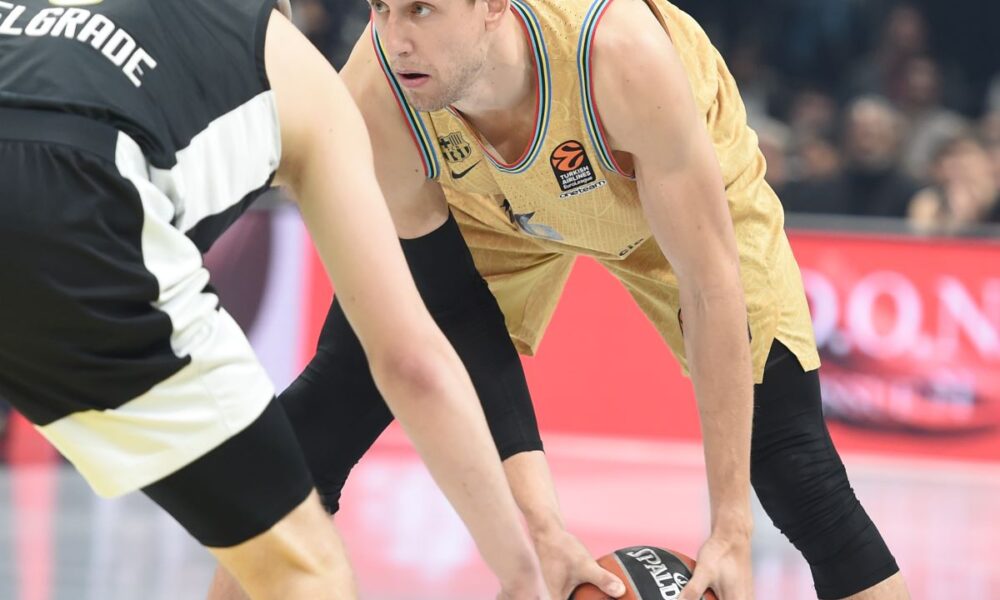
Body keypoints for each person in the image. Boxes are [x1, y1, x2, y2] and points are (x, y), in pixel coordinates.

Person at [211, 0, 912, 599]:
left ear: (492, 6)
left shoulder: (620, 52)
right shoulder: (374, 94)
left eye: (422, 7)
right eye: (381, 8)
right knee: (317, 423)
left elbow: (709, 284)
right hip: (491, 207)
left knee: (795, 464)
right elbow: (455, 312)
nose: (396, 38)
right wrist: (542, 529)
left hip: (663, 190)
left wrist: (731, 528)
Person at [0, 1, 549, 599]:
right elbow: (410, 362)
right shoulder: (302, 74)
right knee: (305, 574)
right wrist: (524, 570)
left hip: (59, 176)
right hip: (80, 213)